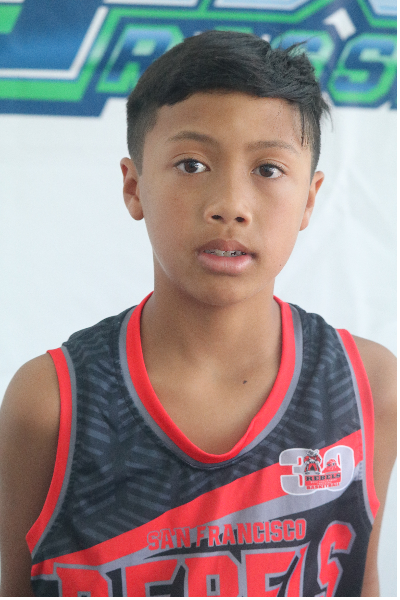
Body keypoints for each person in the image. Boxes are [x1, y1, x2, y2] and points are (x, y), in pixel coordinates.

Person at [0, 31, 396, 597]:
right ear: (134, 187)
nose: (229, 205)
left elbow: (361, 580)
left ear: (310, 199)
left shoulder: (367, 387)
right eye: (192, 164)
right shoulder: (53, 404)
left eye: (268, 169)